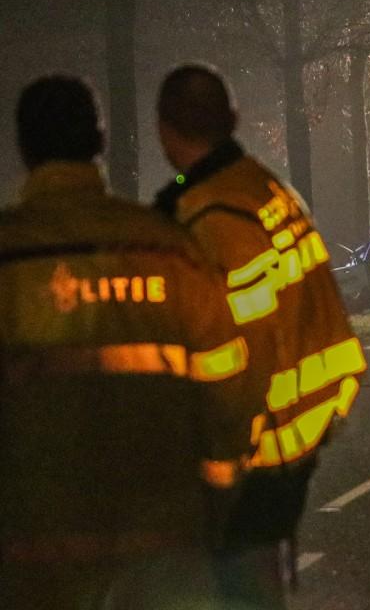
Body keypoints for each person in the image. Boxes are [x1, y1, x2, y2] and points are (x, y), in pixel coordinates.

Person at [0, 76, 252, 609]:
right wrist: (221, 497)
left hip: (35, 558)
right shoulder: (168, 248)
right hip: (165, 546)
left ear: (23, 147)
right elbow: (227, 386)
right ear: (101, 140)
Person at [153, 63, 366, 608]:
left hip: (259, 445)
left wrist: (215, 466)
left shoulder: (213, 217)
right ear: (233, 119)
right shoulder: (265, 187)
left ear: (164, 131)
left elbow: (233, 362)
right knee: (256, 582)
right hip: (304, 426)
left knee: (237, 585)